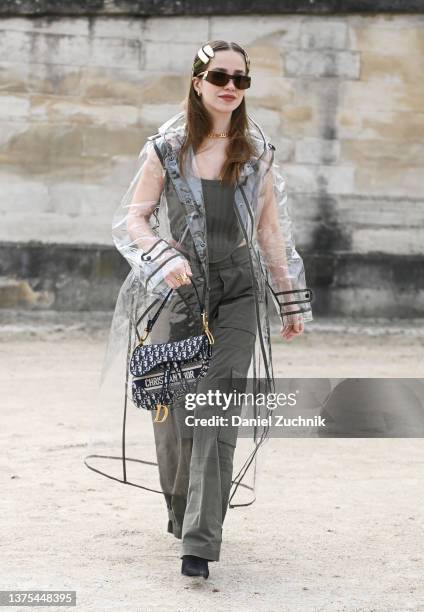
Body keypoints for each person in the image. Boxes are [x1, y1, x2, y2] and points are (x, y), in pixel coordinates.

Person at [84, 40, 313, 580]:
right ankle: (182, 512)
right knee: (174, 414)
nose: (230, 87)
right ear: (197, 81)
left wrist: (289, 296)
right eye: (219, 77)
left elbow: (270, 232)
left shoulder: (257, 153)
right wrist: (162, 258)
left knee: (216, 407)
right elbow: (133, 220)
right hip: (176, 292)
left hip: (236, 292)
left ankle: (200, 542)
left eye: (240, 79)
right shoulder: (165, 148)